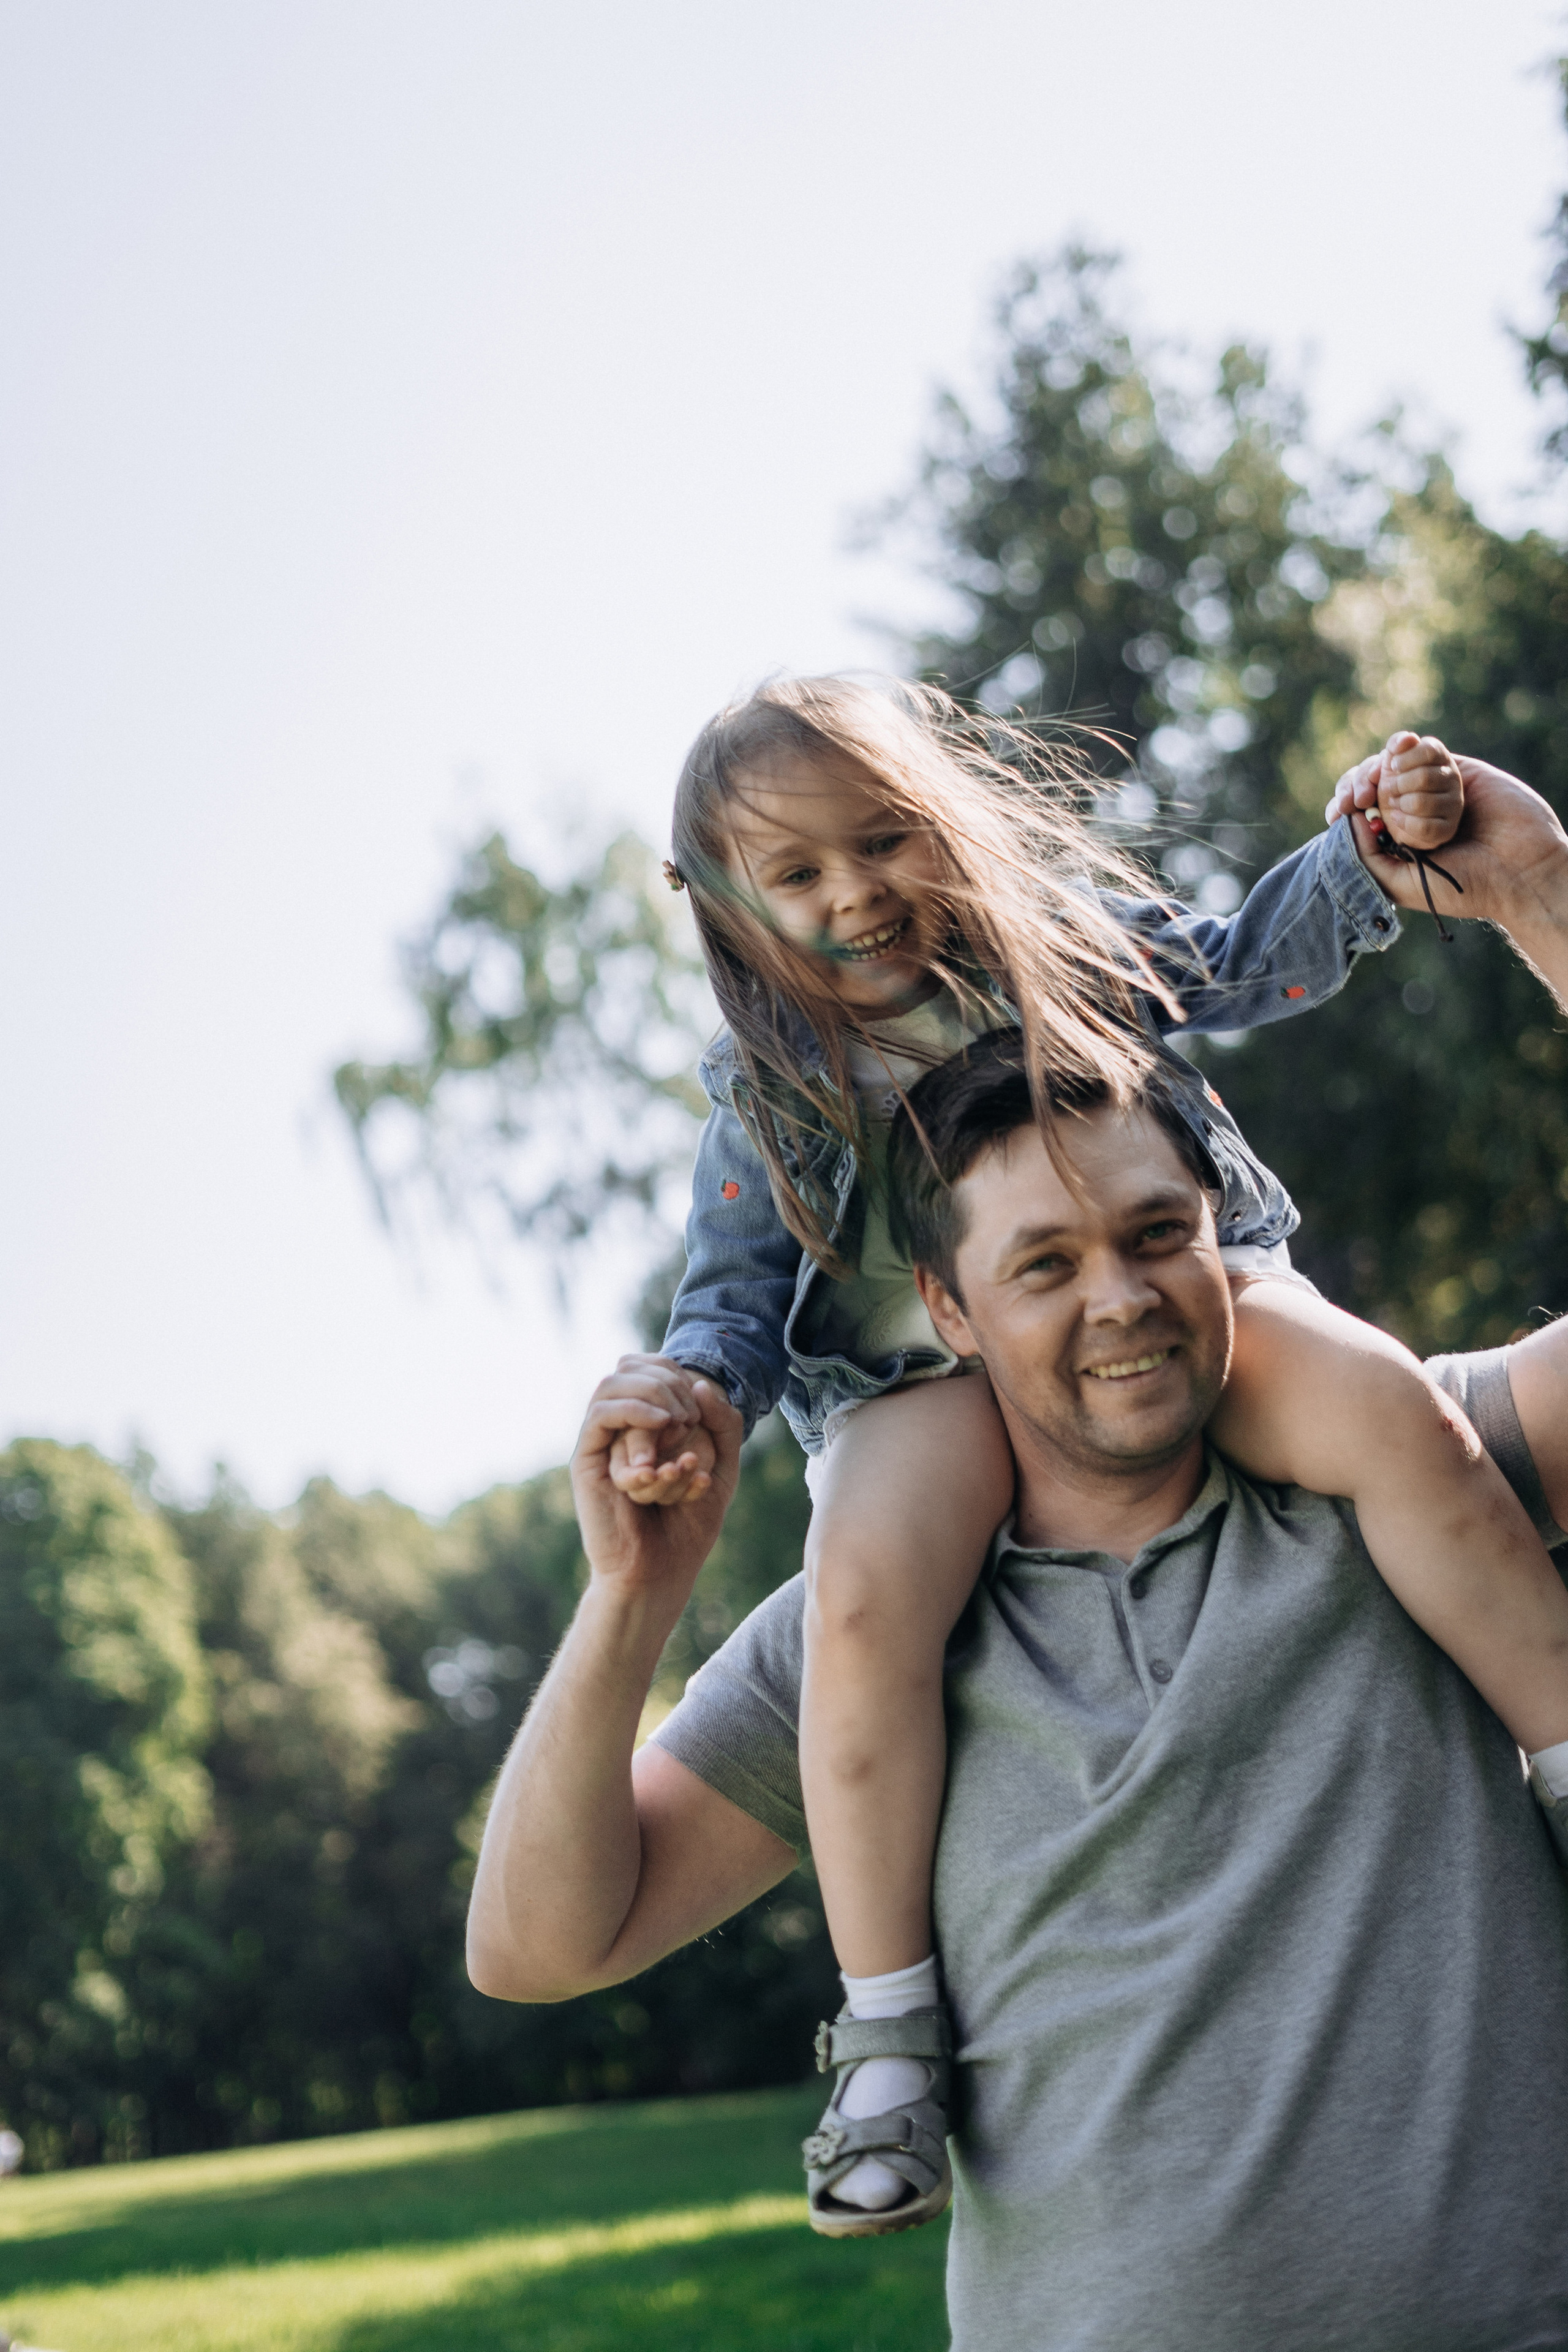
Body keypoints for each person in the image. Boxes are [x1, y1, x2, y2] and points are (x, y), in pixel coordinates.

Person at [466, 755, 1568, 2347]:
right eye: (1044, 1264)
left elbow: (1237, 957)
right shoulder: (873, 1635)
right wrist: (632, 1599)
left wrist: (1532, 888)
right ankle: (886, 2040)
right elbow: (535, 1947)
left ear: (1217, 1219)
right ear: (950, 1310)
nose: (1118, 1299)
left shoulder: (1403, 1465)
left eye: (1156, 1234)